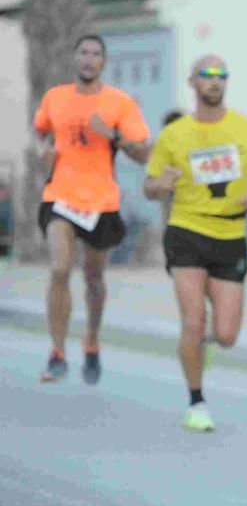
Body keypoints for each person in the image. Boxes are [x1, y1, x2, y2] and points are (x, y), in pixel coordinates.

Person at [143, 55, 247, 432]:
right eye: (207, 75)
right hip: (187, 232)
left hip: (231, 235)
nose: (215, 82)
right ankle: (196, 401)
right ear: (192, 82)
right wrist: (159, 186)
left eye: (221, 76)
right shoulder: (174, 134)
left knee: (227, 336)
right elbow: (149, 185)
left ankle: (195, 344)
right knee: (194, 322)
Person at [33, 34, 151, 384]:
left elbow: (144, 153)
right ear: (74, 59)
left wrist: (112, 135)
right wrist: (43, 151)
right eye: (83, 52)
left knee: (94, 279)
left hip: (101, 201)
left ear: (104, 62)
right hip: (61, 196)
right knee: (59, 269)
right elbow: (40, 132)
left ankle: (92, 342)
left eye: (95, 53)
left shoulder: (119, 103)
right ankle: (57, 353)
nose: (88, 58)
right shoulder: (55, 97)